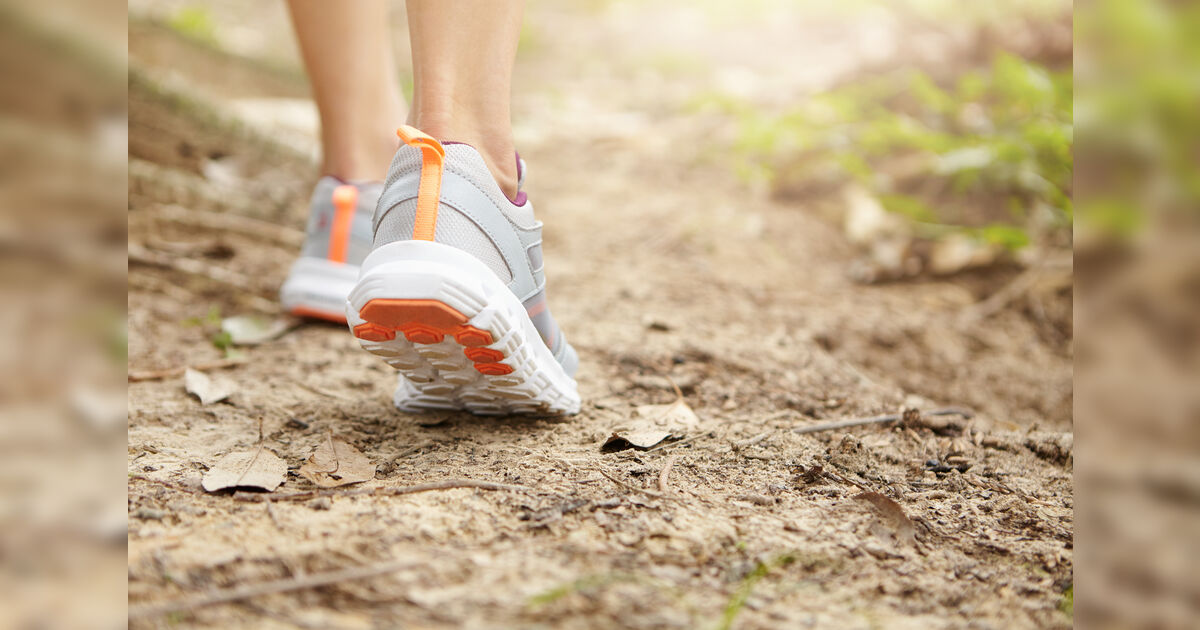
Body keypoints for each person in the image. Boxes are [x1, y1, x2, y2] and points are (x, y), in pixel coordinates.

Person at [278, 0, 580, 416]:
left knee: (366, 154)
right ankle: (467, 160)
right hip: (462, 215)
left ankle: (358, 184)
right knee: (453, 129)